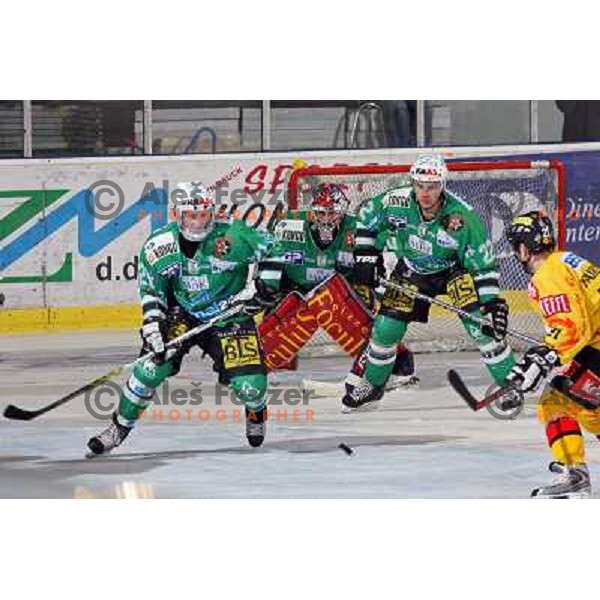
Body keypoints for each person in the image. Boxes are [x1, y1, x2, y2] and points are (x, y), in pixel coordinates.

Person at [86, 182, 273, 456]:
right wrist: (153, 323)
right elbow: (152, 288)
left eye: (203, 215)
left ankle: (256, 412)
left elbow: (274, 250)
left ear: (211, 212)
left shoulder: (234, 234)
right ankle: (118, 428)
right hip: (181, 313)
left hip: (229, 315)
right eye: (191, 215)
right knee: (147, 372)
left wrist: (260, 285)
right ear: (178, 215)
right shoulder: (160, 245)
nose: (198, 222)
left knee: (251, 388)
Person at [342, 153, 515, 411]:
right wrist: (366, 256)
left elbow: (483, 264)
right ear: (412, 183)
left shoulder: (463, 218)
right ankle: (373, 385)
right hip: (412, 269)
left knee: (484, 327)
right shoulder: (396, 200)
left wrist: (491, 302)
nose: (425, 192)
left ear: (443, 185)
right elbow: (366, 218)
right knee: (385, 330)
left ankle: (511, 383)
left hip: (454, 272)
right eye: (420, 185)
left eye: (432, 186)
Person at [253, 182, 417, 396]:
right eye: (321, 212)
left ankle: (388, 364)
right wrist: (267, 285)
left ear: (342, 211)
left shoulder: (357, 228)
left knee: (354, 311)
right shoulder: (290, 225)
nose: (327, 218)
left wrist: (378, 267)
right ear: (312, 212)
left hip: (343, 291)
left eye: (332, 212)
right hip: (299, 289)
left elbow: (389, 253)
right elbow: (268, 256)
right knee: (280, 310)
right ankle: (256, 363)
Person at [504, 211, 600, 498]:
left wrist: (545, 356)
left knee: (554, 402)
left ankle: (576, 476)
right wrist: (547, 352)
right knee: (589, 407)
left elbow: (571, 327)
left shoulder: (546, 275)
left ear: (523, 248)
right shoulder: (566, 261)